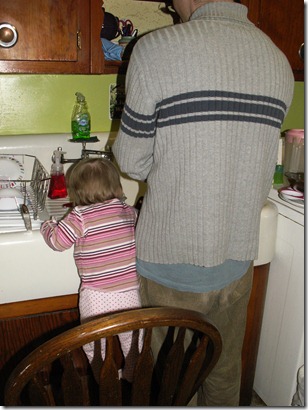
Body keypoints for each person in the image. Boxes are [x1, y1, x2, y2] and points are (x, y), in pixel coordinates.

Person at [112, 0, 294, 406]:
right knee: (225, 371)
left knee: (169, 382)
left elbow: (130, 160)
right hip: (237, 264)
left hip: (170, 266)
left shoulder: (157, 48)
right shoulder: (277, 59)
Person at [40, 158, 142, 383]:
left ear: (75, 192)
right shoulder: (129, 212)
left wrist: (47, 226)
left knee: (93, 340)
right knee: (132, 336)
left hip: (97, 295)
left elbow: (58, 242)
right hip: (130, 292)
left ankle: (103, 377)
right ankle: (133, 369)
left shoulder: (80, 216)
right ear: (117, 186)